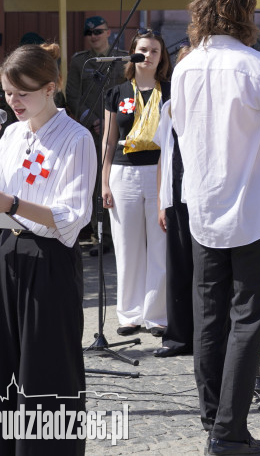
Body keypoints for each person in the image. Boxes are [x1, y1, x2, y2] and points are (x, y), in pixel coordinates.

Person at [172, 0, 260, 456]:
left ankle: (213, 420)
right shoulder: (259, 67)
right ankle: (227, 431)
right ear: (245, 10)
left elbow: (179, 137)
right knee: (247, 319)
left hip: (203, 205)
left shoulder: (183, 67)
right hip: (254, 207)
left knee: (210, 317)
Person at [0, 43, 96, 455]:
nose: (14, 102)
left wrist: (13, 205)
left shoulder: (77, 139)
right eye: (8, 93)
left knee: (47, 368)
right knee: (4, 365)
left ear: (51, 87)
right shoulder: (9, 134)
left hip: (50, 260)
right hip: (9, 253)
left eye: (22, 92)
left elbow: (73, 216)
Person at [101, 28, 171, 337]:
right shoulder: (117, 92)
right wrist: (103, 182)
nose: (149, 55)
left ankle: (156, 316)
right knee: (127, 245)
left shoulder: (170, 91)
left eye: (155, 50)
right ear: (133, 53)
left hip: (158, 170)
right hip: (122, 171)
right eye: (143, 49)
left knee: (159, 244)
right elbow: (108, 140)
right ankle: (129, 315)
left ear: (161, 57)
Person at [66, 15, 126, 249]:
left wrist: (119, 121)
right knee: (94, 182)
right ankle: (100, 235)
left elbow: (129, 91)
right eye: (89, 33)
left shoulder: (122, 59)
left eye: (98, 32)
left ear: (108, 32)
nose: (93, 36)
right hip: (92, 131)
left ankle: (120, 233)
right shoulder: (80, 62)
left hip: (120, 131)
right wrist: (92, 120)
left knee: (118, 178)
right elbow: (72, 94)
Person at [152, 46, 195, 358]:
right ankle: (179, 336)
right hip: (177, 195)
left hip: (211, 197)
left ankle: (211, 337)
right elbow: (163, 157)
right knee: (179, 266)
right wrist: (161, 201)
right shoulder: (169, 107)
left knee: (209, 271)